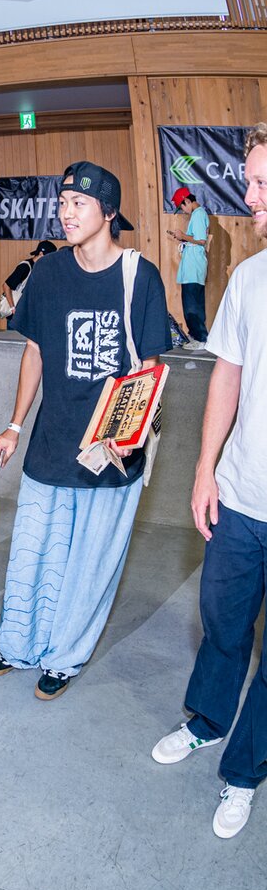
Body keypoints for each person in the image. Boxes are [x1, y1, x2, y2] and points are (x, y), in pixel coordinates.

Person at [0, 162, 170, 699]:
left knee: (90, 561)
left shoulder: (140, 275)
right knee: (34, 549)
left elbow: (149, 367)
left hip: (111, 447)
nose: (66, 213)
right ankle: (18, 644)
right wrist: (13, 426)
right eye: (62, 203)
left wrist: (125, 435)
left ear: (108, 212)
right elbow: (35, 351)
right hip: (52, 438)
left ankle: (65, 657)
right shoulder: (48, 274)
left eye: (79, 203)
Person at [151, 126, 267, 840]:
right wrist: (203, 469)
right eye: (250, 180)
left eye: (261, 183)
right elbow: (226, 375)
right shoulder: (250, 278)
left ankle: (245, 770)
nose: (249, 196)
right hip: (242, 495)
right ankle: (208, 719)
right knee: (223, 621)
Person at [166, 186, 210, 347]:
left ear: (186, 201)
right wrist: (184, 239)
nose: (183, 211)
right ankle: (195, 335)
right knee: (191, 303)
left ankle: (200, 338)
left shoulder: (198, 215)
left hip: (194, 267)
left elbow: (201, 240)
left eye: (182, 207)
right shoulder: (198, 215)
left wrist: (183, 235)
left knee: (192, 305)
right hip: (192, 266)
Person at [0, 239, 56, 320]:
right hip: (17, 314)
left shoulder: (41, 268)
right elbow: (6, 286)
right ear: (41, 254)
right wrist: (12, 308)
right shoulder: (25, 267)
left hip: (29, 313)